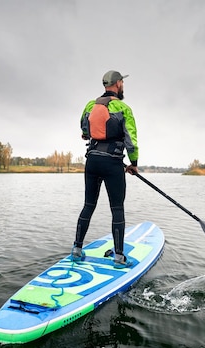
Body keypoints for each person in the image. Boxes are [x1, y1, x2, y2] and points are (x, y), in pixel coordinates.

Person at [71, 70, 139, 268]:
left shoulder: (90, 105)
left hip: (92, 161)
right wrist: (133, 163)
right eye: (122, 83)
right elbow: (131, 140)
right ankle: (119, 257)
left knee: (88, 205)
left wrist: (87, 134)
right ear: (118, 84)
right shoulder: (123, 107)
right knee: (117, 209)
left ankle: (76, 249)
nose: (122, 86)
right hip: (112, 163)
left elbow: (84, 129)